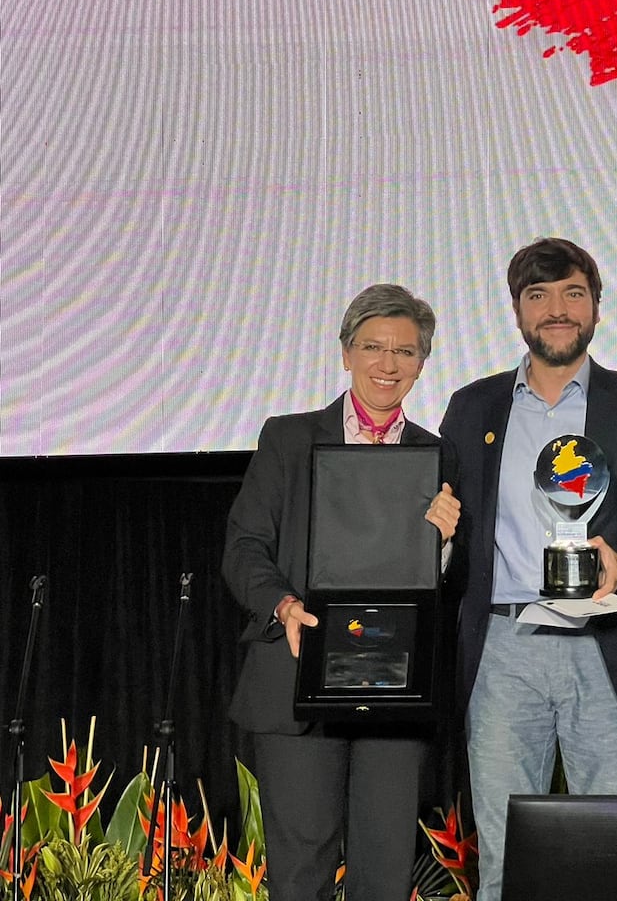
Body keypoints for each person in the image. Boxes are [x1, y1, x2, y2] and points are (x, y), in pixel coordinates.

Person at [429, 237, 617, 901]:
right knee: (505, 866)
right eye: (538, 295)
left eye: (574, 293)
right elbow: (448, 533)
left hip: (608, 648)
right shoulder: (473, 408)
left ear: (597, 307)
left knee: (614, 860)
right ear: (516, 311)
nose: (557, 310)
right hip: (505, 649)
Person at [223, 283, 455, 901]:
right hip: (297, 673)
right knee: (300, 875)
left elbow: (447, 584)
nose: (388, 364)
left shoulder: (435, 454)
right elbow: (244, 548)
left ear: (422, 363)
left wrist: (447, 544)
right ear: (346, 352)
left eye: (405, 352)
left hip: (394, 681)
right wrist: (283, 604)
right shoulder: (289, 438)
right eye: (373, 347)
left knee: (384, 872)